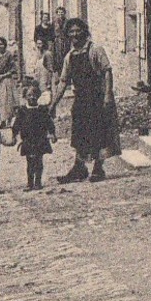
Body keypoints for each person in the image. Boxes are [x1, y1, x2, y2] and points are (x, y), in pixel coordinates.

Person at [51, 17, 116, 183]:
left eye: (77, 30)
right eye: (71, 31)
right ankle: (79, 168)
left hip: (98, 97)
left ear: (84, 31)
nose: (75, 34)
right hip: (81, 99)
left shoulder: (95, 49)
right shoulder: (70, 56)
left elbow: (107, 71)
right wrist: (53, 103)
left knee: (99, 131)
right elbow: (63, 81)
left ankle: (98, 168)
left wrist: (108, 94)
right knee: (79, 133)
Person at [10, 81, 55, 190]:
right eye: (29, 95)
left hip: (40, 139)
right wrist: (14, 136)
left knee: (39, 161)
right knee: (30, 162)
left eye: (35, 94)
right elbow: (16, 125)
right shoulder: (22, 111)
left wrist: (52, 134)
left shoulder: (42, 110)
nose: (32, 97)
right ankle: (30, 182)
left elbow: (49, 123)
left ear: (38, 96)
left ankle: (38, 182)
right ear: (25, 97)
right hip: (28, 140)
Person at [42, 6, 70, 94]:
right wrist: (51, 44)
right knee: (57, 60)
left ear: (64, 13)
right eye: (59, 13)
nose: (60, 14)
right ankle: (58, 78)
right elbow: (50, 35)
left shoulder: (67, 22)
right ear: (56, 14)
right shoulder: (54, 23)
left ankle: (66, 79)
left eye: (62, 13)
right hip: (57, 43)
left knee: (66, 59)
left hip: (66, 42)